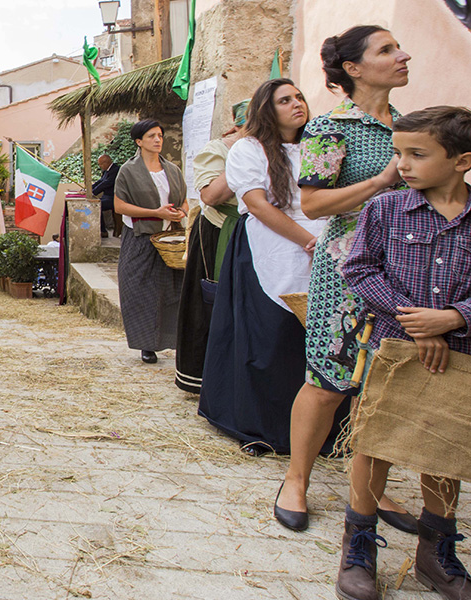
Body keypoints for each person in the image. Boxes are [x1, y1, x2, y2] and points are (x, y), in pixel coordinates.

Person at [275, 25, 417, 534]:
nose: (402, 56)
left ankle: (372, 490)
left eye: (398, 47)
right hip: (346, 273)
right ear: (353, 69)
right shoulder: (331, 129)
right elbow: (313, 203)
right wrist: (380, 182)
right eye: (386, 50)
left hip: (404, 276)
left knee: (384, 387)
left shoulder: (412, 127)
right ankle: (296, 479)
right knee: (328, 382)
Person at [335, 106, 471, 600]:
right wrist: (416, 318)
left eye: (417, 154)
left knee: (444, 445)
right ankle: (360, 545)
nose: (403, 164)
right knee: (376, 442)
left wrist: (455, 317)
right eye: (398, 153)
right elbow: (360, 269)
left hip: (459, 354)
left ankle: (436, 554)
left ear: (462, 160)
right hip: (394, 347)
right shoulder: (385, 209)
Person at [197, 79, 325, 456]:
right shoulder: (248, 150)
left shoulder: (318, 146)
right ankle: (261, 426)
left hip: (322, 246)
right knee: (269, 339)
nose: (296, 104)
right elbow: (257, 203)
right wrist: (305, 239)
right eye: (285, 100)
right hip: (269, 246)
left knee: (310, 341)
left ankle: (318, 430)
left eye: (299, 97)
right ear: (266, 110)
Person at [174, 100, 249, 394]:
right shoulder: (219, 150)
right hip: (219, 233)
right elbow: (212, 196)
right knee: (211, 301)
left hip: (258, 233)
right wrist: (245, 154)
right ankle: (205, 376)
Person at [112, 119, 188, 363]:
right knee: (140, 291)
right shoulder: (128, 170)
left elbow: (184, 200)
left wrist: (180, 212)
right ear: (139, 141)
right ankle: (146, 344)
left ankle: (173, 341)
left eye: (160, 135)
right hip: (140, 238)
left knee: (172, 290)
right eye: (152, 136)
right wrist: (157, 213)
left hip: (170, 239)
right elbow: (119, 205)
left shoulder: (173, 170)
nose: (158, 140)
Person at [92, 154, 122, 238]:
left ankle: (103, 231)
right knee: (95, 204)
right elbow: (100, 181)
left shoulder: (116, 170)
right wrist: (88, 190)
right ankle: (101, 230)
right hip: (106, 196)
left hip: (114, 198)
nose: (100, 166)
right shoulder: (106, 171)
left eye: (101, 164)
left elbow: (107, 183)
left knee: (97, 206)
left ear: (107, 162)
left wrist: (93, 192)